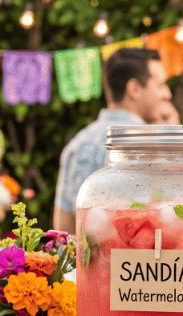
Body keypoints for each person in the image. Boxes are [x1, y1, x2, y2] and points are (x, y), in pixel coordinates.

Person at [53, 48, 172, 233]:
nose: (167, 94)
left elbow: (64, 229)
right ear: (134, 89)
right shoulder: (154, 146)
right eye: (161, 84)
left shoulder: (76, 145)